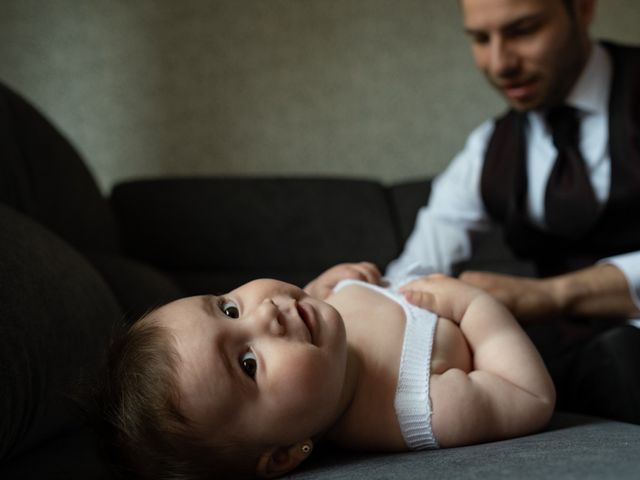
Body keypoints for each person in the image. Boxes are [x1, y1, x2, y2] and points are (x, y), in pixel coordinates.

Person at [386, 0, 640, 422]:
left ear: (582, 10)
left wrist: (548, 296)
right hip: (575, 364)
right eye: (481, 39)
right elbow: (413, 269)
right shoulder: (489, 148)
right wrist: (353, 293)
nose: (500, 63)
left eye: (523, 30)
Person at [97, 263, 554, 479]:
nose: (266, 316)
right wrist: (475, 305)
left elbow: (335, 302)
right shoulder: (422, 405)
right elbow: (528, 394)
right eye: (248, 364)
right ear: (284, 455)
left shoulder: (316, 329)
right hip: (523, 312)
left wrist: (333, 284)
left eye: (229, 307)